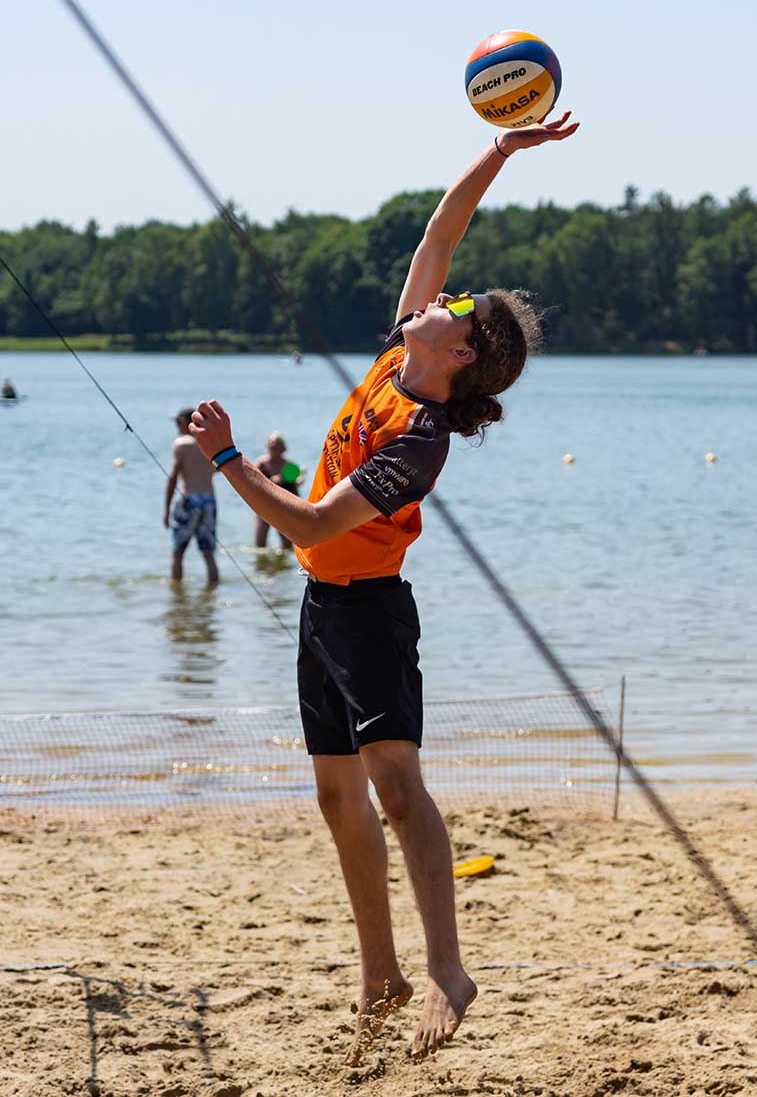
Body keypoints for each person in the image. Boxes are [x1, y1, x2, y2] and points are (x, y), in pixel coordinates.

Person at [188, 112, 579, 1063]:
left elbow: (316, 523)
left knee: (397, 788)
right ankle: (380, 972)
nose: (434, 298)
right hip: (322, 607)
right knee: (336, 798)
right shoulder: (397, 355)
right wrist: (499, 153)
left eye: (451, 310)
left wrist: (231, 460)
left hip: (366, 612)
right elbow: (439, 233)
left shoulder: (422, 437)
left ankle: (447, 967)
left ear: (460, 356)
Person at [164, 407, 219, 583]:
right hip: (209, 500)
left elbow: (174, 477)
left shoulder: (182, 444)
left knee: (177, 552)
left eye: (177, 422)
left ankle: (176, 594)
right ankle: (212, 593)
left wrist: (166, 508)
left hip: (189, 498)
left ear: (184, 422)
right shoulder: (209, 443)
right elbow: (217, 469)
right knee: (208, 554)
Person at [253, 432, 303, 549]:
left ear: (282, 447)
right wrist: (271, 481)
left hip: (283, 508)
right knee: (260, 544)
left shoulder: (289, 464)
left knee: (287, 545)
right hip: (264, 506)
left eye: (276, 444)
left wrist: (300, 479)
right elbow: (252, 480)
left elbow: (296, 484)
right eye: (271, 444)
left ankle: (285, 565)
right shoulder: (261, 463)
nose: (273, 446)